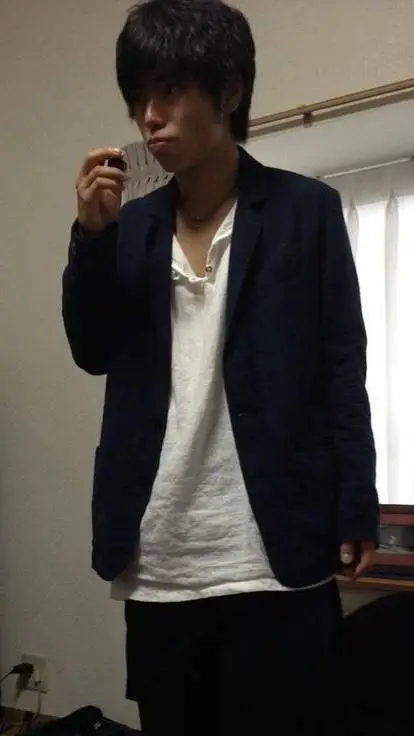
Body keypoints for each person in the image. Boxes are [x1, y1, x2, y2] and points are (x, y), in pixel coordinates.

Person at [62, 0, 379, 734]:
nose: (149, 116)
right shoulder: (128, 228)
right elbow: (91, 350)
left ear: (230, 91)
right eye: (139, 96)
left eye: (171, 89)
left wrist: (355, 502)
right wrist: (91, 239)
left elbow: (342, 365)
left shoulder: (306, 211)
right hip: (160, 553)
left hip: (276, 543)